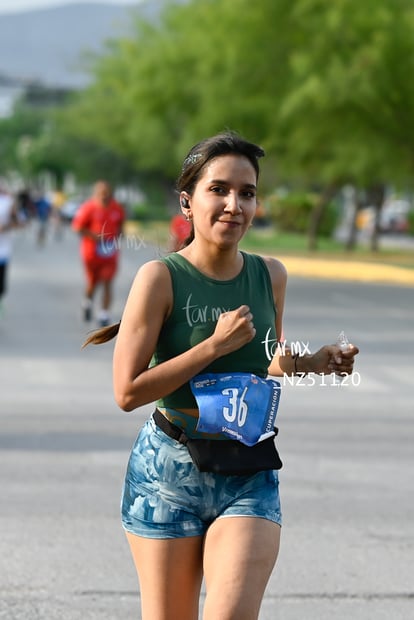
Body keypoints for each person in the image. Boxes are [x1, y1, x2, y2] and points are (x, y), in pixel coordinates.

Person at [83, 132, 359, 620]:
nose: (235, 204)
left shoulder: (269, 274)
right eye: (220, 190)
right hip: (169, 470)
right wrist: (212, 346)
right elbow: (127, 392)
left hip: (247, 465)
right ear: (188, 203)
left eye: (247, 193)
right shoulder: (160, 278)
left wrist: (316, 360)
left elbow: (267, 357)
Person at [72, 180, 125, 327]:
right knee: (93, 283)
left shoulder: (116, 208)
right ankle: (87, 302)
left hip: (109, 252)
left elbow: (120, 224)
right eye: (102, 193)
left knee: (108, 281)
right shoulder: (88, 207)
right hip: (92, 253)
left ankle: (104, 314)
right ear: (96, 194)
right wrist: (95, 236)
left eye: (107, 193)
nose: (105, 196)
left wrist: (118, 238)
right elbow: (78, 227)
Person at [0, 187, 20, 317]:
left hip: (3, 251)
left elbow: (16, 222)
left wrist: (5, 227)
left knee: (1, 285)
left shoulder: (8, 201)